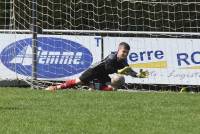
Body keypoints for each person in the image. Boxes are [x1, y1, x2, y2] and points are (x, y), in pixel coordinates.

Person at [45, 42, 149, 91]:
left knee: (112, 89)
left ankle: (92, 86)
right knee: (78, 81)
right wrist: (120, 71)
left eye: (127, 52)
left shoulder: (123, 60)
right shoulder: (112, 57)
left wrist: (138, 75)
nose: (125, 54)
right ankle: (55, 87)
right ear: (118, 50)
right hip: (94, 71)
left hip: (102, 74)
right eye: (123, 52)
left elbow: (129, 70)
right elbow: (109, 68)